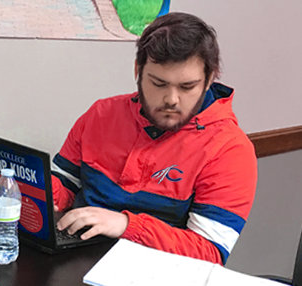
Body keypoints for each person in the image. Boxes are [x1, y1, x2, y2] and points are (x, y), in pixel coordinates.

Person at [52, 12, 257, 265]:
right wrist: (36, 197)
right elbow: (64, 184)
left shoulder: (230, 149)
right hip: (77, 260)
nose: (172, 99)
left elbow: (210, 251)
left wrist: (127, 225)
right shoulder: (101, 114)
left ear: (209, 80)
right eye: (159, 84)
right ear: (138, 70)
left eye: (187, 87)